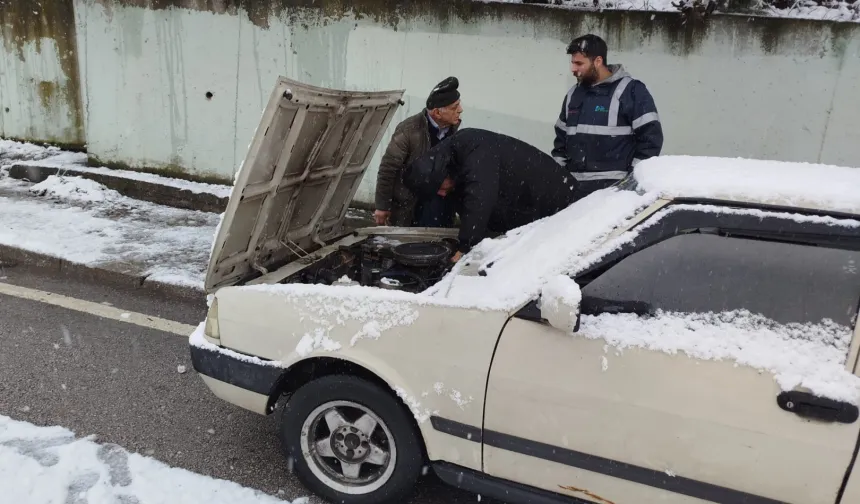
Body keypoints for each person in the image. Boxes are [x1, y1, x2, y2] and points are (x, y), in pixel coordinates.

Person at [403, 128, 577, 262]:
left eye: (438, 188)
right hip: (530, 204)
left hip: (559, 200)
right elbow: (468, 206)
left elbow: (480, 199)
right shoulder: (454, 161)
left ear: (439, 174)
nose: (441, 194)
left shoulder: (474, 149)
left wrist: (466, 247)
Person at [551, 33, 663, 200]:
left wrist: (631, 184)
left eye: (579, 63)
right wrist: (559, 182)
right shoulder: (573, 94)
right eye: (572, 63)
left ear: (598, 61)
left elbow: (650, 141)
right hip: (574, 195)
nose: (573, 69)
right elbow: (561, 143)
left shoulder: (631, 91)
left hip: (614, 197)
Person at [373, 77, 463, 227]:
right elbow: (388, 169)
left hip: (442, 203)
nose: (460, 110)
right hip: (411, 205)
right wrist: (382, 206)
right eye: (454, 107)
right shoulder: (409, 131)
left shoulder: (454, 128)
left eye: (459, 105)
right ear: (437, 113)